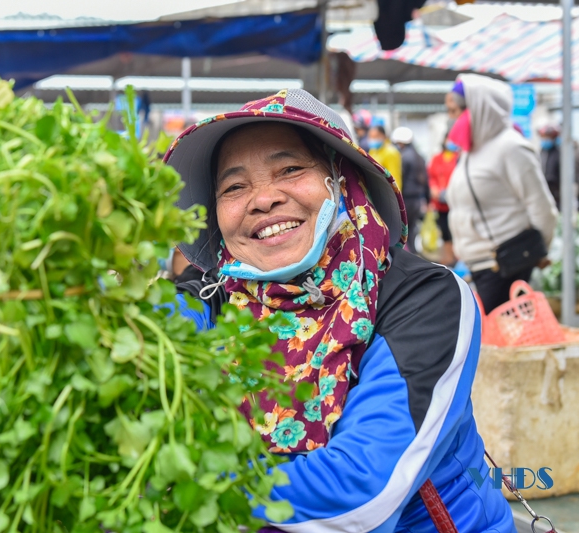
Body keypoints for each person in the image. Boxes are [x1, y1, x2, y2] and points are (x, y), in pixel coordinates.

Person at [164, 88, 513, 532]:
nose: (263, 198)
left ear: (341, 179)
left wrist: (185, 486)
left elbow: (361, 491)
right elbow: (139, 344)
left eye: (290, 169)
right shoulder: (213, 295)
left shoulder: (423, 298)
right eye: (235, 187)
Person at [445, 75, 557, 313]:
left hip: (505, 264)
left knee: (499, 340)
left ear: (479, 109)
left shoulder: (511, 148)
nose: (452, 119)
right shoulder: (470, 152)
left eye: (457, 111)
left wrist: (535, 252)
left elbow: (542, 208)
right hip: (479, 264)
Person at [392, 126, 429, 255]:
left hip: (406, 199)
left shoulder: (402, 157)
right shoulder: (420, 157)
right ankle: (413, 254)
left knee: (403, 231)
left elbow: (399, 178)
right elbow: (426, 181)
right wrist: (428, 199)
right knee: (412, 229)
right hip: (418, 199)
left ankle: (407, 255)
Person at [428, 135, 460, 266]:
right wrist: (434, 189)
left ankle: (458, 258)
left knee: (457, 231)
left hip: (456, 203)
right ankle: (449, 257)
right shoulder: (437, 158)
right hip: (440, 204)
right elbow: (431, 177)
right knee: (445, 230)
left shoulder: (460, 158)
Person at [367, 124, 402, 192]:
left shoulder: (391, 152)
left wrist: (396, 195)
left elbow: (395, 177)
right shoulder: (373, 151)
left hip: (387, 191)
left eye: (376, 136)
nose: (373, 139)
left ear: (384, 136)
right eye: (370, 137)